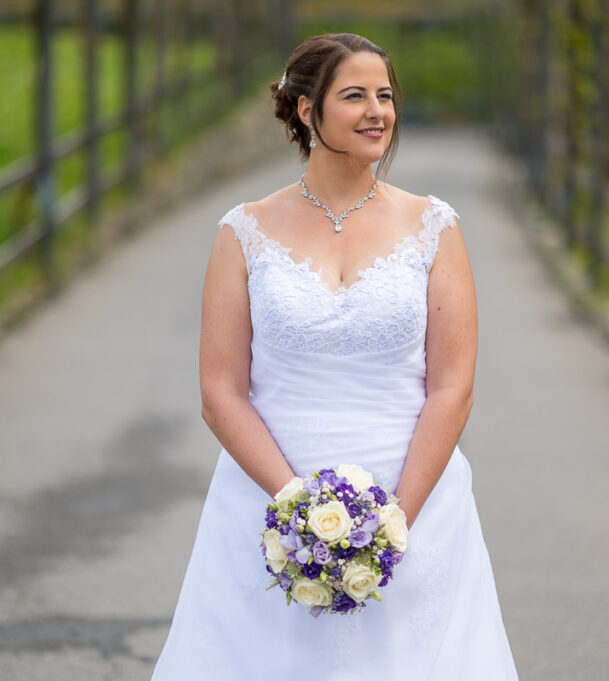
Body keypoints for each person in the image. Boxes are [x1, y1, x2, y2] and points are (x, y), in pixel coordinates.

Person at [150, 33, 518, 679]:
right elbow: (220, 392)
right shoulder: (244, 232)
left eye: (385, 95)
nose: (377, 111)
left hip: (415, 499)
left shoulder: (434, 226)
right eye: (354, 96)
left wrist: (392, 523)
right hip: (268, 496)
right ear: (306, 110)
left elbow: (452, 388)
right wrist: (295, 507)